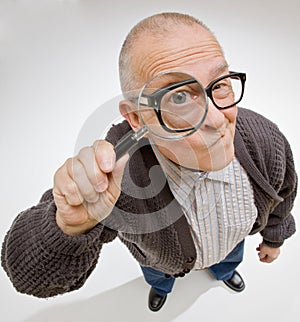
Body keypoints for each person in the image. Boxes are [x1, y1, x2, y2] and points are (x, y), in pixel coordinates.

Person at [1, 12, 297, 312]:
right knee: (159, 272)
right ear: (136, 117)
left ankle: (224, 271)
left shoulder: (265, 140)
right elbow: (28, 277)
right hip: (160, 262)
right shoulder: (119, 177)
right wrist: (67, 226)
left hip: (232, 242)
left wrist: (275, 237)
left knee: (230, 256)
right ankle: (162, 285)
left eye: (219, 84)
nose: (218, 120)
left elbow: (284, 192)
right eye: (179, 98)